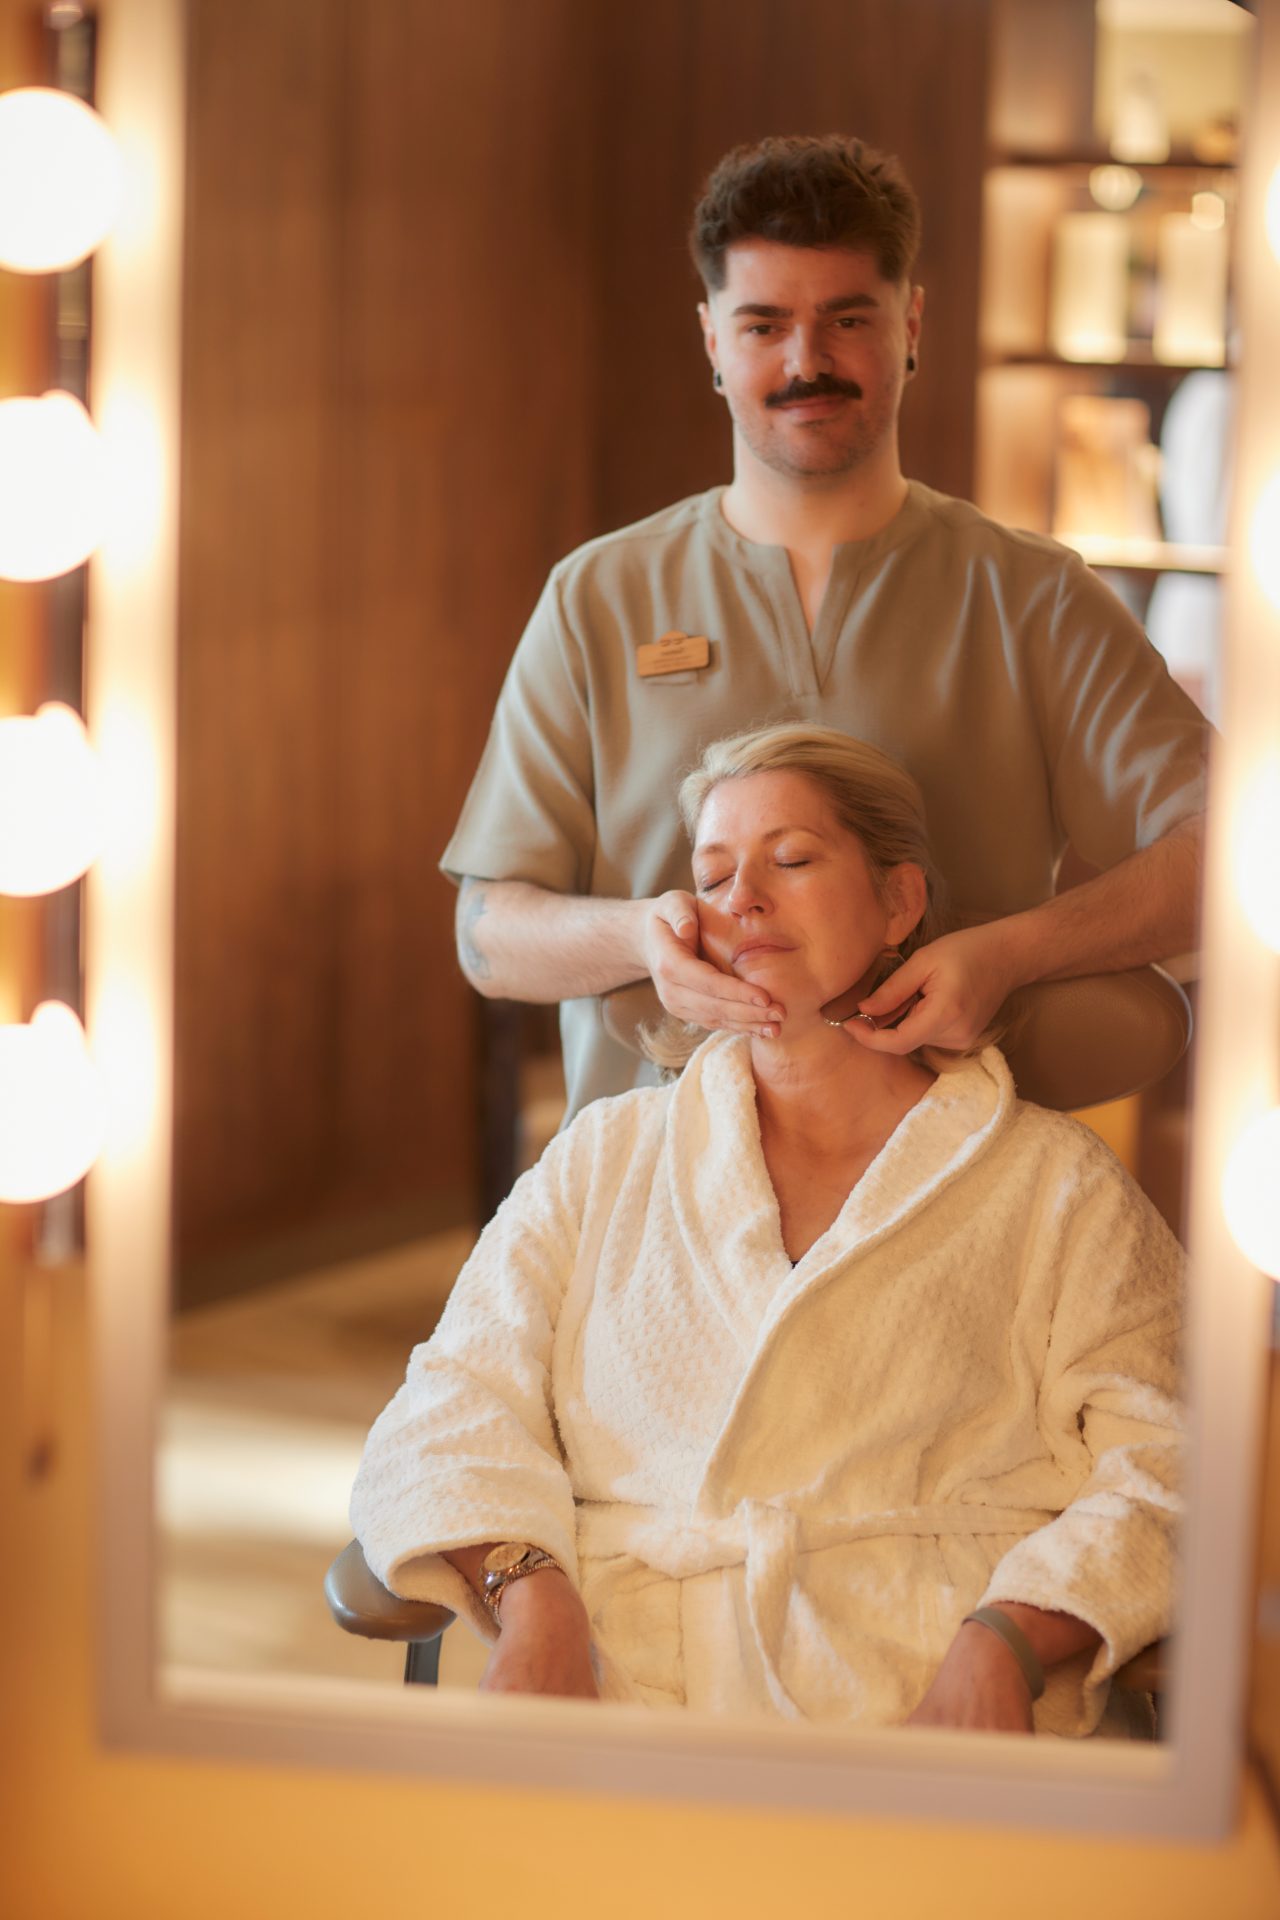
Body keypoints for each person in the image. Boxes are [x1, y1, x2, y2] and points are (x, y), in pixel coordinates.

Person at [354, 725, 1182, 1735]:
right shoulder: (604, 1159)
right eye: (711, 876)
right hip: (623, 1687)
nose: (741, 896)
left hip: (924, 1699)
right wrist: (531, 1605)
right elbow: (447, 1405)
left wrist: (1005, 1642)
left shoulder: (1053, 1185)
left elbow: (1177, 1461)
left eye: (789, 860)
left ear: (898, 902)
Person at [443, 133, 1209, 1122]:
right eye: (763, 324)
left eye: (846, 319)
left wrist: (1009, 951)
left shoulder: (1032, 596)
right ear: (711, 341)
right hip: (658, 1203)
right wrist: (645, 936)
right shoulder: (597, 597)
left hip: (949, 1193)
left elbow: (1234, 851)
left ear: (910, 324)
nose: (806, 361)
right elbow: (485, 934)